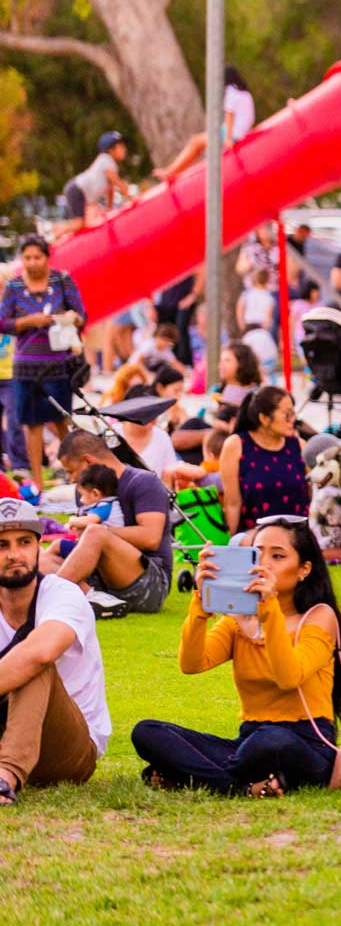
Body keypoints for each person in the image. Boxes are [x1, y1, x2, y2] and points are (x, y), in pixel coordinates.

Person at [131, 521, 341, 797]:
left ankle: (189, 774)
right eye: (257, 554)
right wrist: (201, 604)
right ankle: (240, 786)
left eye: (278, 556)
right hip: (249, 740)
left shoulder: (319, 617)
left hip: (304, 744)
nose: (265, 564)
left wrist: (269, 610)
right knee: (148, 732)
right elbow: (191, 664)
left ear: (303, 570)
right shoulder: (237, 620)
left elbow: (289, 677)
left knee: (270, 742)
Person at [0, 498, 107, 804]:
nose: (14, 555)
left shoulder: (63, 594)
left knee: (33, 659)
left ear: (38, 547)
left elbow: (42, 652)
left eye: (24, 542)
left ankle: (5, 777)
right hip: (9, 725)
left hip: (70, 749)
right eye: (2, 545)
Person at [48, 431, 173, 616]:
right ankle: (97, 599)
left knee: (95, 533)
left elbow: (151, 538)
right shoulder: (85, 490)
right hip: (100, 579)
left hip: (150, 585)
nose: (72, 479)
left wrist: (100, 533)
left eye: (71, 471)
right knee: (42, 558)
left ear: (88, 461)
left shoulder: (145, 483)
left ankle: (48, 600)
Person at [0, 235, 87, 487]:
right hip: (26, 366)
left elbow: (82, 314)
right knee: (31, 424)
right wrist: (30, 321)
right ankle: (37, 481)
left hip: (59, 362)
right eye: (27, 258)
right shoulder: (14, 287)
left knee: (62, 420)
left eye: (37, 257)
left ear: (47, 257)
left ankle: (78, 477)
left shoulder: (62, 281)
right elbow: (3, 322)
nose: (32, 263)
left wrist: (71, 318)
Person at [218, 387, 308, 535]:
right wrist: (230, 547)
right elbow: (233, 504)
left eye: (293, 413)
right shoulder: (236, 445)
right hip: (254, 540)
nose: (293, 419)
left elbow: (314, 497)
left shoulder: (299, 446)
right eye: (287, 414)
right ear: (264, 418)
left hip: (296, 540)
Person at [156, 68, 255, 180]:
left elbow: (230, 116)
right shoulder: (245, 93)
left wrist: (228, 138)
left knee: (196, 142)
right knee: (202, 143)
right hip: (240, 131)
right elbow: (248, 116)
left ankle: (172, 171)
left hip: (233, 133)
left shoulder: (231, 93)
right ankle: (174, 170)